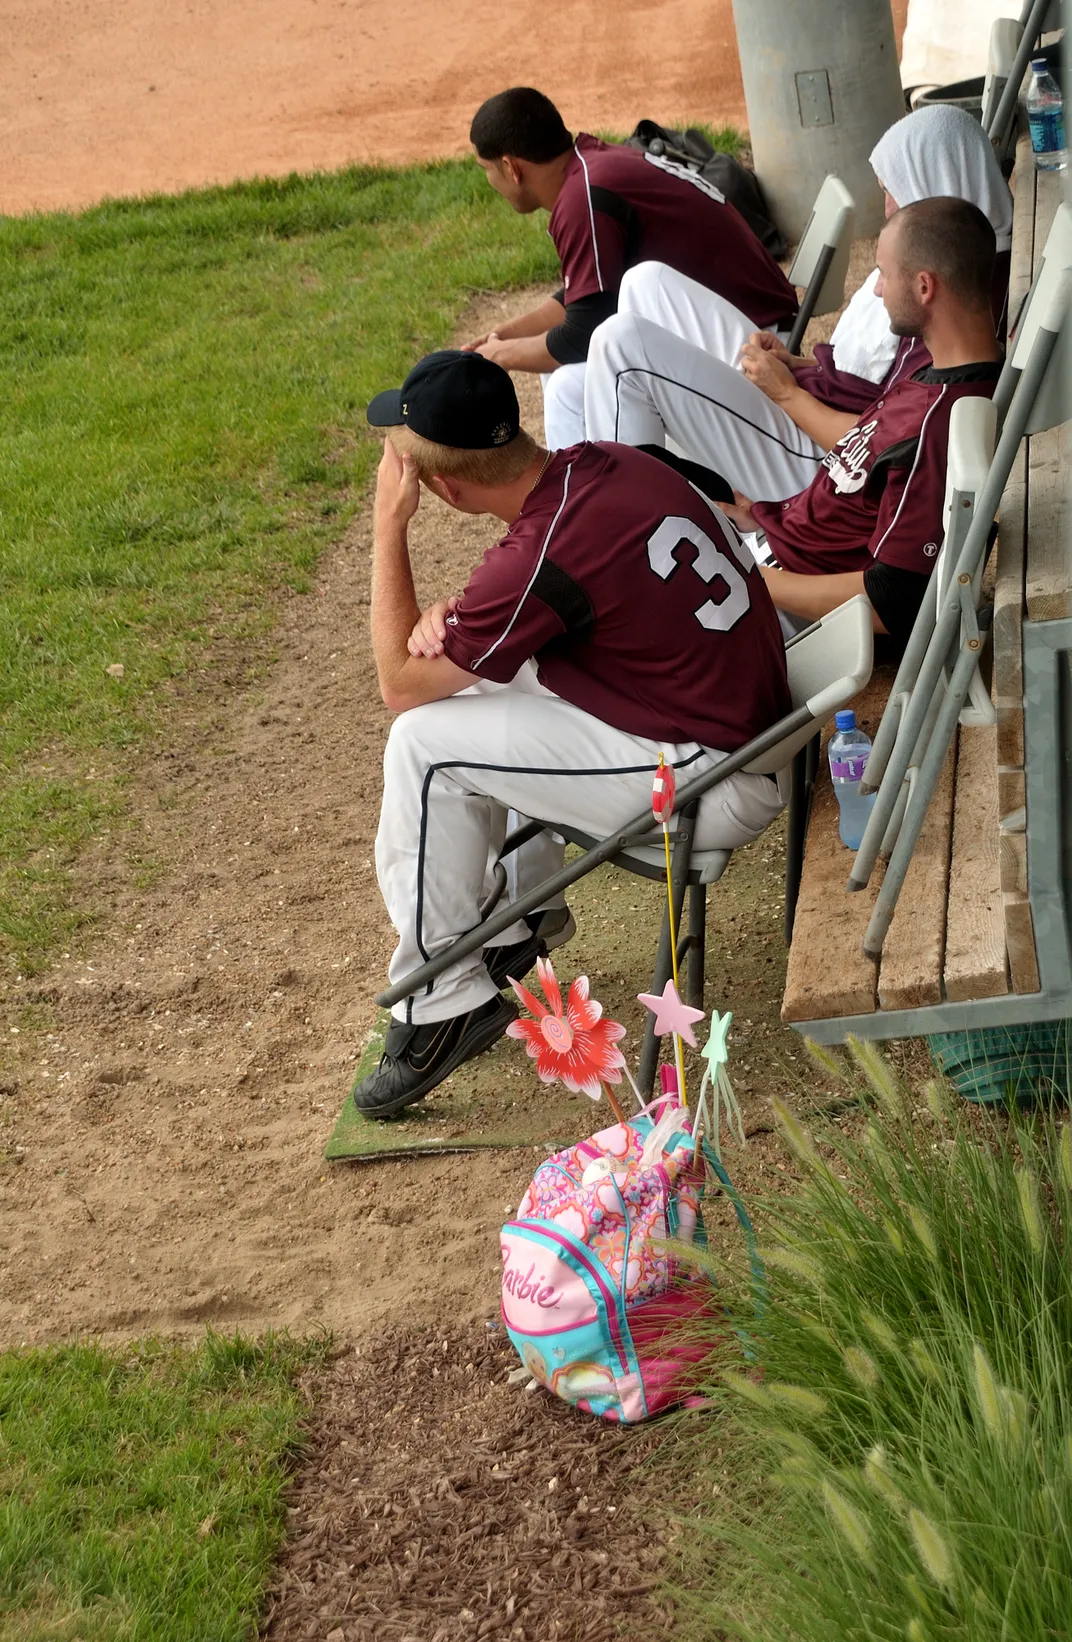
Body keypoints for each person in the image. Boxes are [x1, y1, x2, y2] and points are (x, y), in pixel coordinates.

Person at [353, 350, 791, 1118]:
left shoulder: (535, 555)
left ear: (447, 488)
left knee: (422, 743)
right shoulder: (605, 461)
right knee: (486, 680)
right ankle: (517, 922)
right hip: (741, 723)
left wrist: (390, 528)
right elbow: (534, 597)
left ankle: (440, 1004)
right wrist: (461, 627)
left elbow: (398, 682)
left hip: (714, 773)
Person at [583, 103, 1013, 501]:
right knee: (645, 281)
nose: (886, 208)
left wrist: (786, 394)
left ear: (933, 185)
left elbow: (886, 441)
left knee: (620, 345)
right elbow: (875, 383)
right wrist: (797, 366)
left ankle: (625, 528)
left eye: (893, 190)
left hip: (818, 457)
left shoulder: (953, 294)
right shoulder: (951, 260)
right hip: (809, 398)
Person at [708, 197, 1003, 649]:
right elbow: (871, 454)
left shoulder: (943, 425)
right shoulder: (941, 373)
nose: (879, 289)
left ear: (925, 286)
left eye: (884, 273)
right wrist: (763, 522)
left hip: (782, 600)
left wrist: (746, 576)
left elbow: (895, 601)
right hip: (771, 545)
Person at [462, 86, 798, 451]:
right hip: (741, 313)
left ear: (511, 168)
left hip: (749, 337)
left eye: (486, 170)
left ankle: (599, 498)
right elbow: (589, 294)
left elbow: (580, 335)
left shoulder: (582, 197)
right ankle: (602, 486)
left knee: (566, 388)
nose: (489, 180)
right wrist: (505, 335)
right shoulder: (592, 164)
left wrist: (499, 357)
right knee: (564, 373)